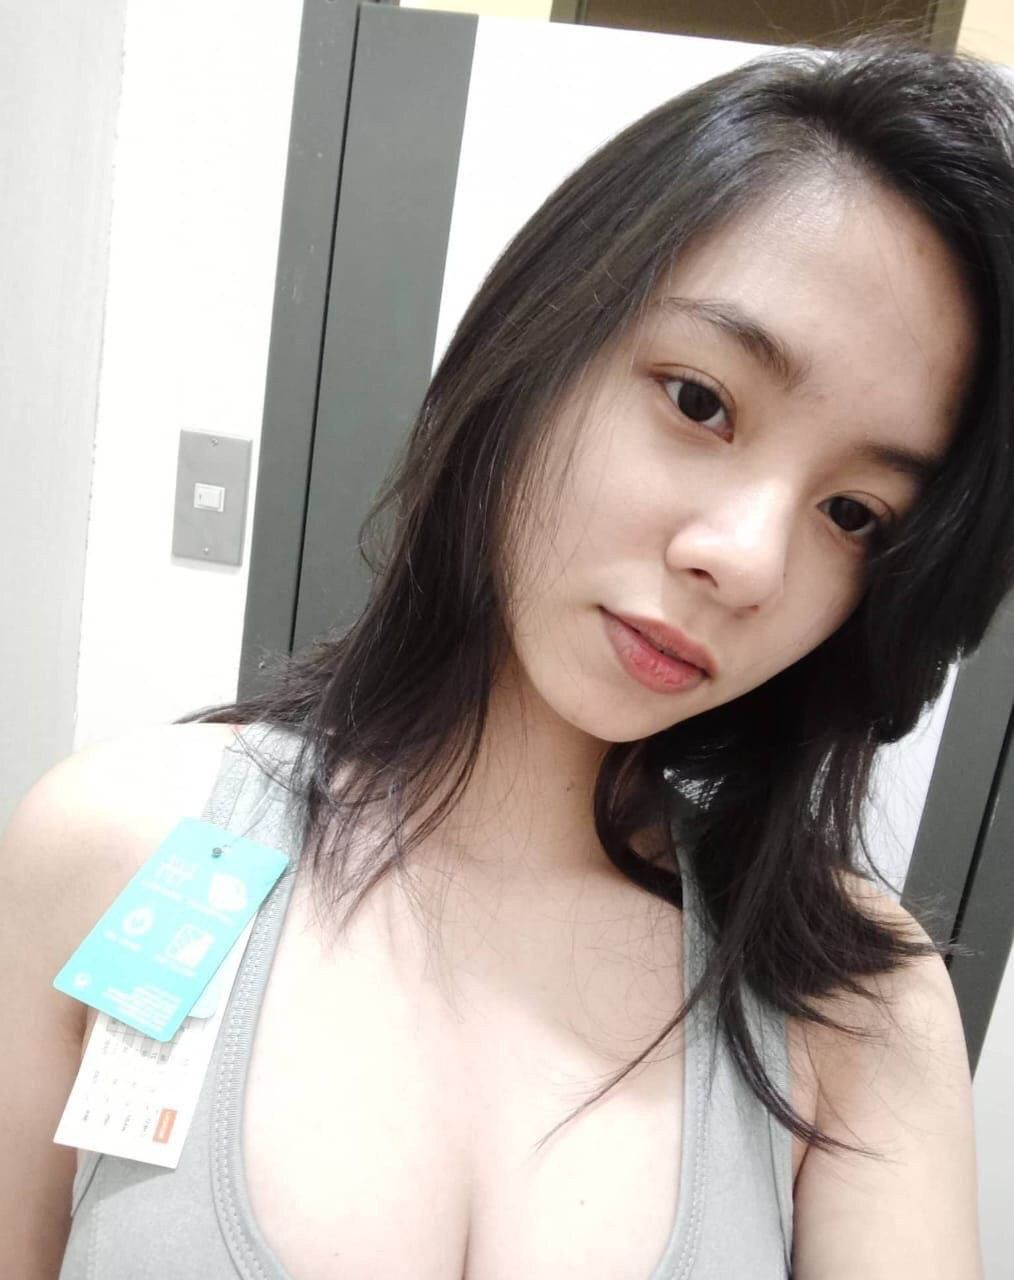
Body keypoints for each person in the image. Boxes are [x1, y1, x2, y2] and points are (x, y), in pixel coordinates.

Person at [3, 30, 1013, 1280]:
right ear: (536, 342)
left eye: (855, 513)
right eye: (700, 400)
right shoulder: (113, 848)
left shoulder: (858, 1008)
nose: (748, 559)